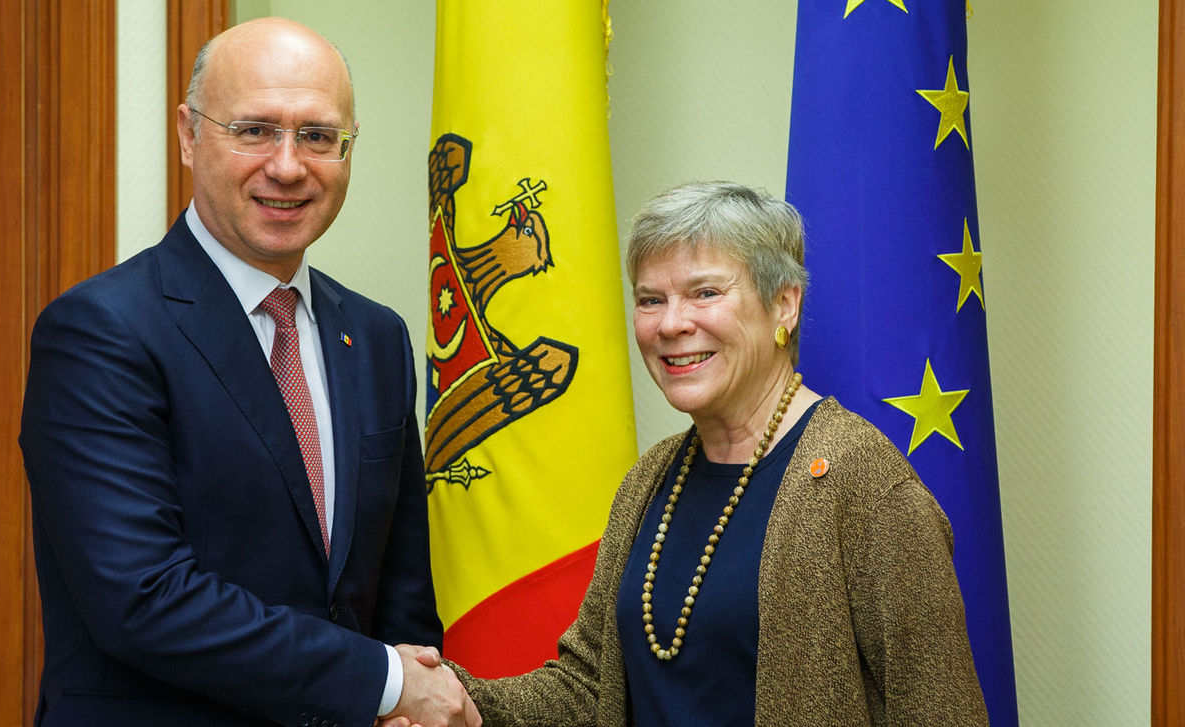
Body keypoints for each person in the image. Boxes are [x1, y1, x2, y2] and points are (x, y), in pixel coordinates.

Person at [20, 17, 478, 727]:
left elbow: (400, 595)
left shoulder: (378, 337)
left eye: (318, 136)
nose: (289, 165)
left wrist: (409, 698)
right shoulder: (101, 331)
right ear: (188, 134)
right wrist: (384, 680)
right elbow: (144, 597)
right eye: (256, 130)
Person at [392, 181, 988, 725]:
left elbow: (940, 707)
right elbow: (588, 688)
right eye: (651, 300)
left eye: (704, 292)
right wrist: (461, 701)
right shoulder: (653, 478)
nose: (672, 324)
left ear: (785, 304)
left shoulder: (862, 480)